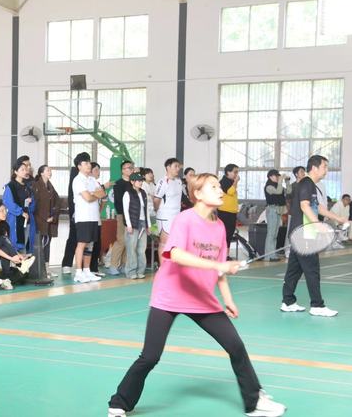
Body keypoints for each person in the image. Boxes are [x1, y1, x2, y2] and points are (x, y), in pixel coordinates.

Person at [107, 174, 286, 417]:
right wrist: (218, 266)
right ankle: (119, 402)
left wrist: (228, 299)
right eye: (213, 187)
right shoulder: (185, 219)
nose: (220, 190)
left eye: (219, 187)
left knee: (235, 346)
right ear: (198, 194)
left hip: (201, 297)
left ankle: (254, 402)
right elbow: (176, 254)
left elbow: (220, 268)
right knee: (150, 356)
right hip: (170, 294)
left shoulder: (219, 226)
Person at [280, 155, 349, 317]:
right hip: (303, 234)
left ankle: (288, 301)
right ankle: (317, 305)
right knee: (312, 270)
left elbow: (318, 208)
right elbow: (305, 206)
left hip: (300, 233)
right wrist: (318, 225)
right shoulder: (307, 183)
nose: (327, 170)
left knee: (294, 270)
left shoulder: (310, 185)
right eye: (325, 167)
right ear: (314, 168)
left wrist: (339, 218)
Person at [0, 200, 35, 288]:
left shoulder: (4, 224)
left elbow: (8, 243)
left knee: (5, 247)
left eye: (5, 210)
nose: (5, 213)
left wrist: (18, 254)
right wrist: (12, 258)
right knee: (2, 239)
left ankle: (6, 274)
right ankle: (21, 263)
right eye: (1, 211)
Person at [72, 152, 106, 283]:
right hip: (83, 217)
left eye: (89, 162)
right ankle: (78, 272)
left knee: (90, 244)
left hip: (94, 216)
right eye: (85, 163)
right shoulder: (78, 180)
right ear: (79, 166)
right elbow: (87, 198)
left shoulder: (92, 180)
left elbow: (102, 193)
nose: (89, 165)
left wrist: (93, 194)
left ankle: (87, 270)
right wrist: (94, 194)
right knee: (82, 243)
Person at [106, 160, 134, 275]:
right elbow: (118, 202)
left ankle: (123, 264)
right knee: (121, 240)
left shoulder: (133, 183)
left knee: (129, 241)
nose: (130, 169)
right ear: (122, 170)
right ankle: (113, 265)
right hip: (122, 214)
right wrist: (123, 216)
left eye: (131, 168)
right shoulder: (119, 183)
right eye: (127, 168)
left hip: (133, 215)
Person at [3, 159, 36, 254]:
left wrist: (31, 202)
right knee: (16, 246)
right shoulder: (10, 186)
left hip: (27, 219)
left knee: (26, 244)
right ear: (16, 172)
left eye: (26, 169)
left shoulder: (27, 187)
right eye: (22, 169)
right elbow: (8, 203)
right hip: (15, 220)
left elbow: (33, 203)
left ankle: (24, 262)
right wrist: (21, 212)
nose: (25, 171)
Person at [153, 158, 182, 264]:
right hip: (165, 216)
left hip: (176, 216)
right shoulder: (163, 182)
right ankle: (163, 267)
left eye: (178, 166)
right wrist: (158, 210)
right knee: (165, 243)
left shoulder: (178, 181)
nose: (178, 169)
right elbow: (156, 199)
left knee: (175, 243)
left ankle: (172, 266)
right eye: (175, 166)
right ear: (168, 167)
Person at [122, 173, 151, 279]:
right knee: (131, 248)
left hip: (143, 223)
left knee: (141, 249)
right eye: (138, 181)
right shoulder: (127, 193)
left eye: (141, 180)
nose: (140, 182)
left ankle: (140, 271)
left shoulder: (143, 193)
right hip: (133, 224)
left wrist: (148, 225)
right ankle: (131, 272)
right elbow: (125, 210)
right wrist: (128, 225)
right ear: (132, 182)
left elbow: (146, 210)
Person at [32, 165, 60, 274]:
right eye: (48, 170)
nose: (50, 172)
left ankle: (47, 268)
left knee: (47, 244)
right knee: (39, 245)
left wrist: (53, 217)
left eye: (50, 170)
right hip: (40, 221)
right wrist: (45, 217)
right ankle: (39, 268)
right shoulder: (36, 185)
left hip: (50, 221)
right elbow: (36, 205)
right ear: (41, 173)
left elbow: (57, 201)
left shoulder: (50, 186)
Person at [90, 162, 112, 274]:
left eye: (99, 170)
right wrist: (103, 187)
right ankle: (88, 268)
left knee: (97, 243)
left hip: (96, 217)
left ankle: (94, 268)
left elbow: (104, 199)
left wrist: (99, 211)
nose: (98, 172)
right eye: (96, 170)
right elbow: (92, 195)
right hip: (88, 218)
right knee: (90, 244)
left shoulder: (97, 183)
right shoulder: (88, 182)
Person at [263, 169, 288, 262]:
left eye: (278, 176)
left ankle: (272, 254)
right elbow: (278, 191)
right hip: (272, 210)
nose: (277, 177)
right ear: (270, 177)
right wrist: (281, 180)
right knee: (271, 233)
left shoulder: (278, 185)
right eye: (276, 176)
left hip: (278, 210)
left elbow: (289, 191)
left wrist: (287, 181)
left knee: (275, 234)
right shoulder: (268, 186)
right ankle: (268, 256)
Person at [61, 166, 79, 273]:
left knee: (83, 241)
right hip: (76, 214)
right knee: (73, 238)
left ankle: (83, 266)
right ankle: (67, 264)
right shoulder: (76, 178)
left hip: (85, 215)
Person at [218, 164, 240, 249]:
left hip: (231, 212)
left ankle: (226, 254)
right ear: (228, 172)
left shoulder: (231, 182)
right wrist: (236, 182)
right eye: (235, 172)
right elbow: (230, 192)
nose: (236, 174)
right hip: (225, 213)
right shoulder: (224, 181)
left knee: (229, 235)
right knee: (225, 235)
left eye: (237, 172)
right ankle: (222, 254)